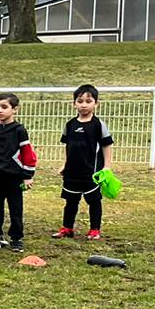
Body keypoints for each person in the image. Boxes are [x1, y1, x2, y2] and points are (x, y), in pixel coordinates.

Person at [0, 92, 38, 252]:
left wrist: (27, 176)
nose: (0, 111)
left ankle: (16, 239)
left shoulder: (19, 131)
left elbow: (27, 154)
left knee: (16, 209)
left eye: (4, 107)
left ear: (15, 109)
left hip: (14, 178)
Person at [54, 84, 113, 240]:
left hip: (92, 172)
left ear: (96, 103)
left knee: (94, 202)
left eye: (88, 101)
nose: (84, 105)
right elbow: (68, 146)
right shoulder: (70, 124)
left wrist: (107, 167)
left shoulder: (99, 125)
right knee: (70, 201)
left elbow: (107, 145)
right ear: (74, 104)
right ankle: (67, 228)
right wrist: (64, 164)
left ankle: (94, 230)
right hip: (72, 172)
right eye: (80, 101)